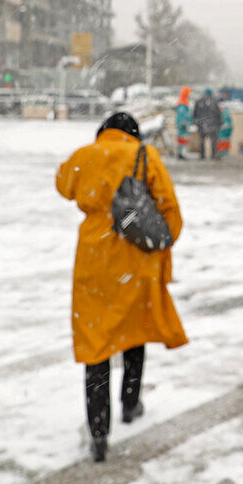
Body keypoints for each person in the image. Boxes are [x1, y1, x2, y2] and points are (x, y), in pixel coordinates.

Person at [56, 111, 186, 463]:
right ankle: (130, 404)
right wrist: (160, 245)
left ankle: (99, 431)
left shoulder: (84, 156)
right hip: (136, 261)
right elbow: (171, 213)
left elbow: (63, 184)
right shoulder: (146, 156)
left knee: (96, 346)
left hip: (93, 262)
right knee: (134, 332)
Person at [192, 88, 222, 160]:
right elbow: (218, 113)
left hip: (202, 124)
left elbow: (194, 113)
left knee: (202, 140)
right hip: (213, 124)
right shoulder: (214, 101)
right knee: (213, 141)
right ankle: (213, 155)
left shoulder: (199, 101)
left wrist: (196, 122)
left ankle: (202, 155)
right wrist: (220, 123)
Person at [173, 85, 192, 159]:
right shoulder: (183, 104)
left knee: (182, 140)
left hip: (183, 125)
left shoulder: (182, 102)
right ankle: (182, 154)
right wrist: (184, 124)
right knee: (183, 140)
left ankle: (181, 153)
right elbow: (182, 115)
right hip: (183, 125)